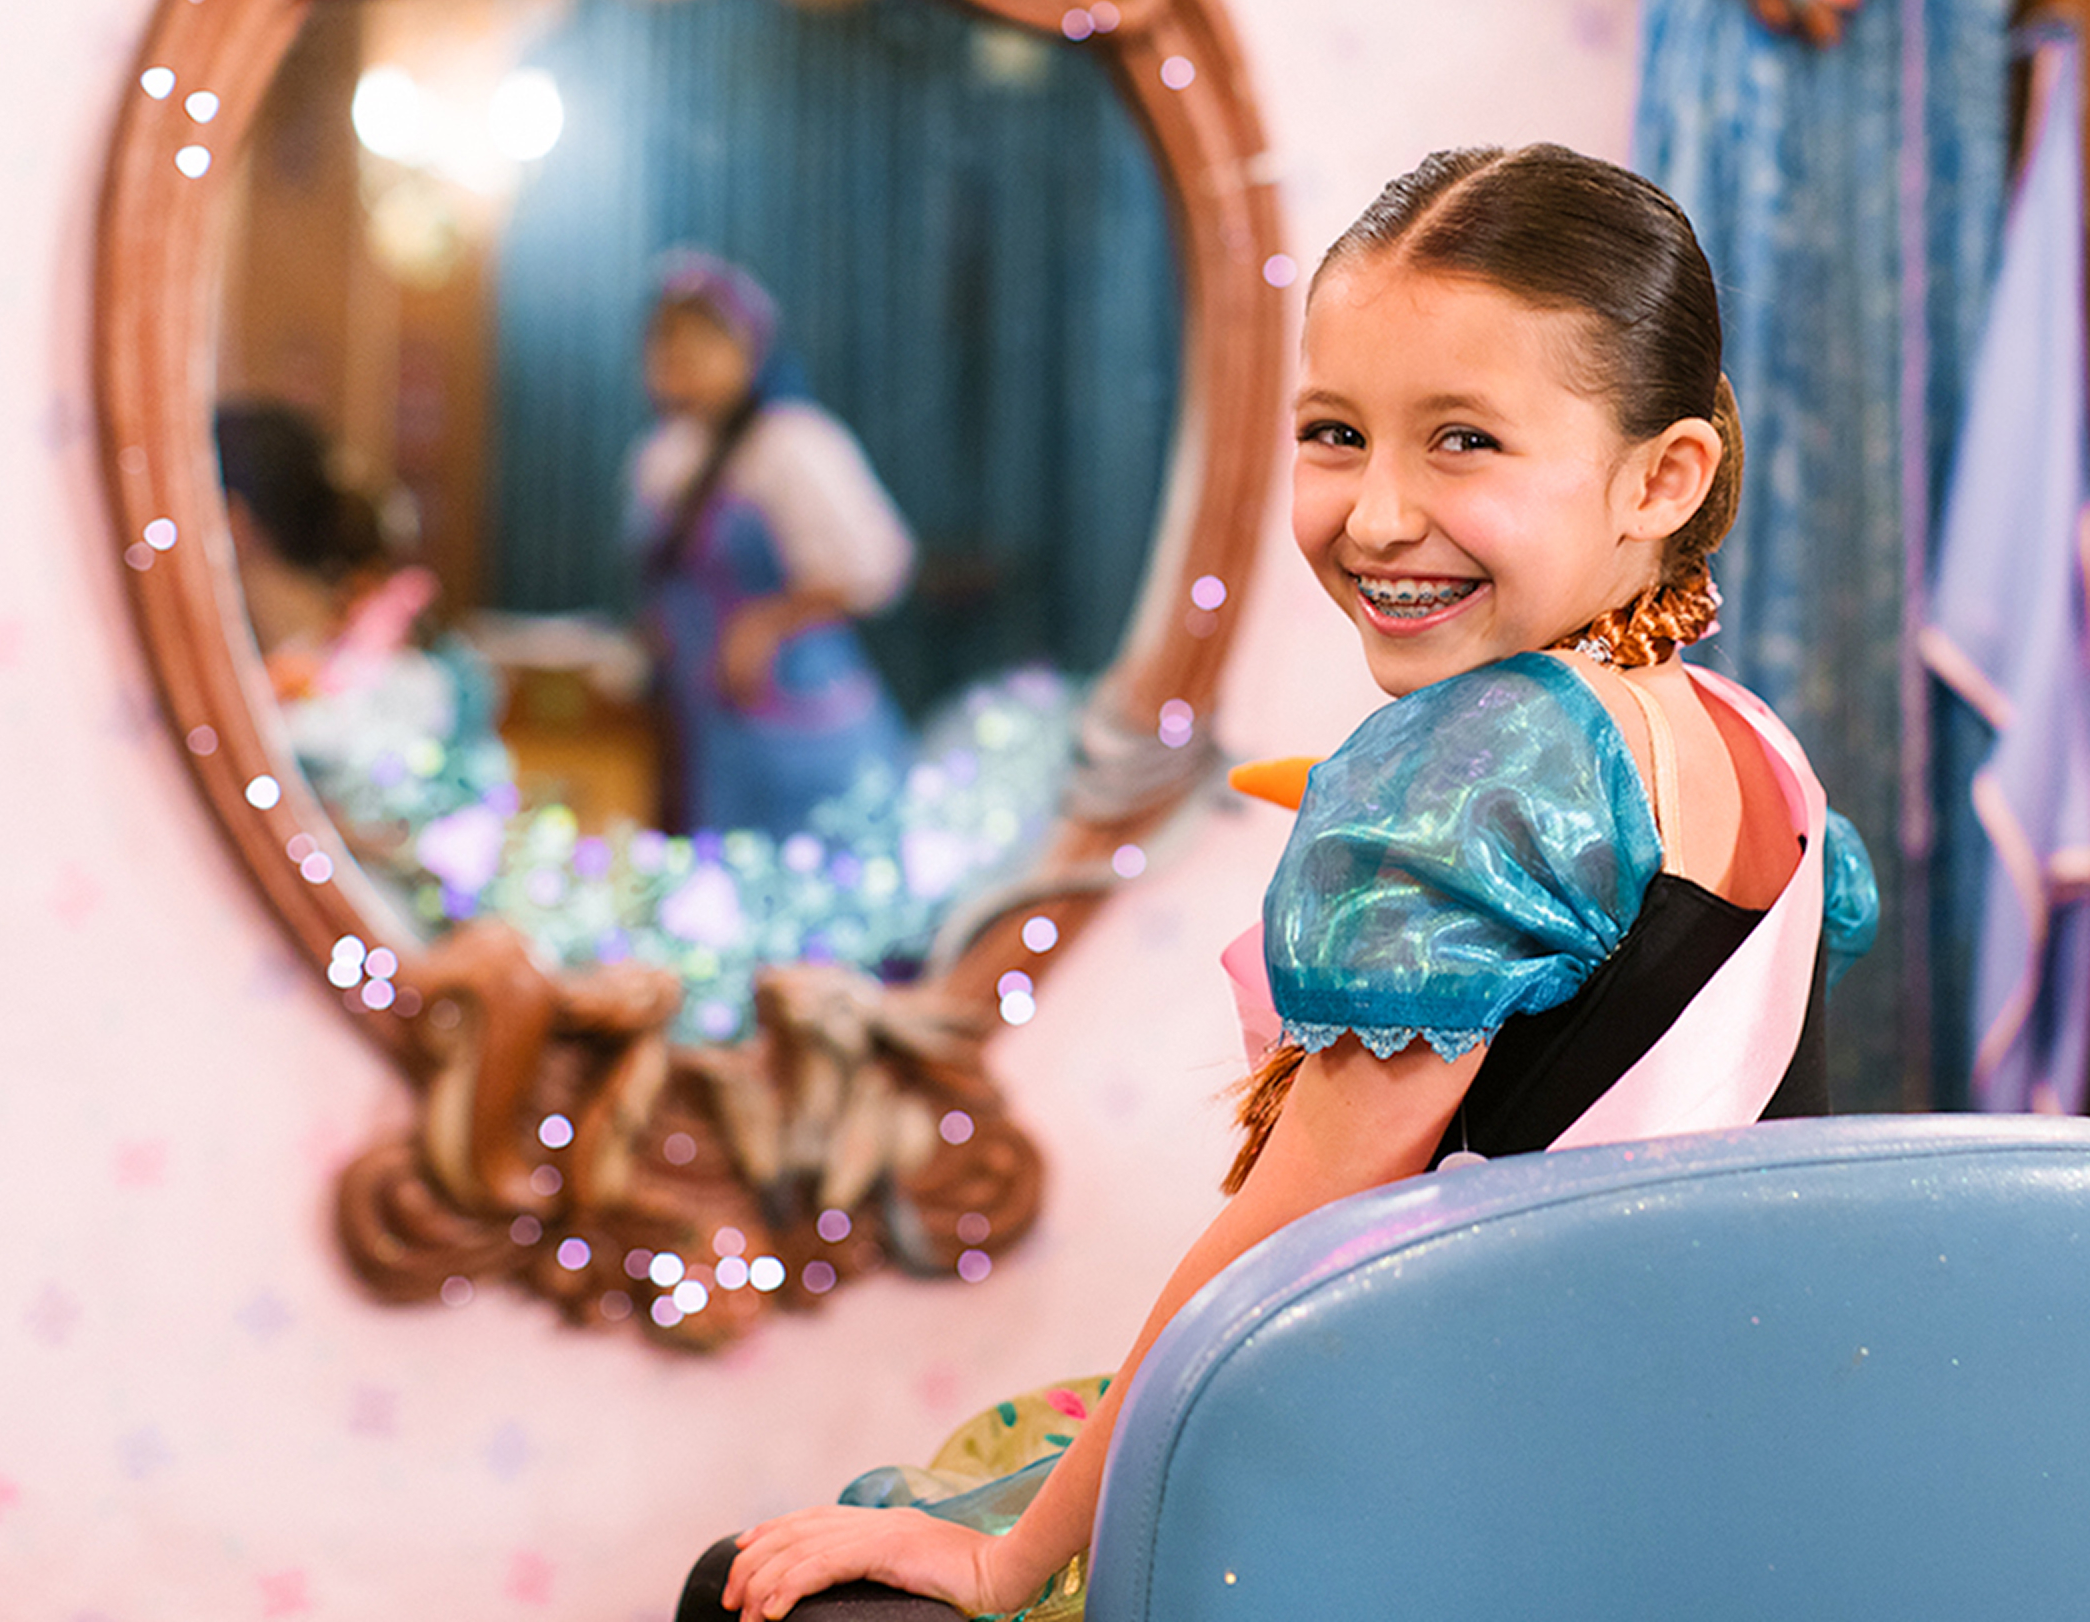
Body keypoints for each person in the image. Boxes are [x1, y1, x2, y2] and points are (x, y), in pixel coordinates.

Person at [690, 146, 1875, 1622]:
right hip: (1719, 1494)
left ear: (1664, 476)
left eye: (1463, 443)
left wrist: (1008, 1556)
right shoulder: (1745, 740)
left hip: (1496, 1519)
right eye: (1333, 433)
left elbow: (1281, 1245)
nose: (1377, 515)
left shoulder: (1483, 763)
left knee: (763, 1585)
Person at [631, 251, 920, 839]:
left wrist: (770, 622)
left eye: (701, 341)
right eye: (666, 341)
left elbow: (880, 565)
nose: (679, 356)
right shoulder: (662, 457)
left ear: (749, 350)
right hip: (706, 723)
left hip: (798, 721)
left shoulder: (790, 443)